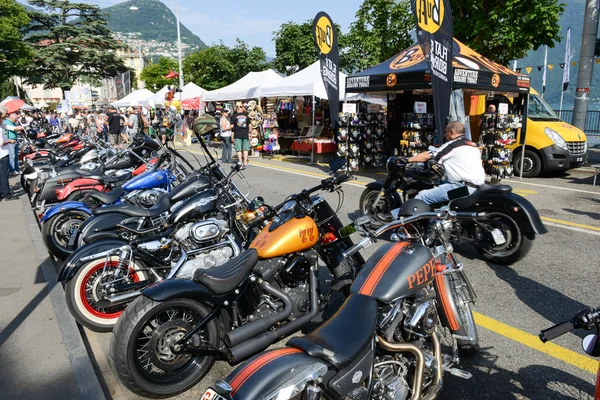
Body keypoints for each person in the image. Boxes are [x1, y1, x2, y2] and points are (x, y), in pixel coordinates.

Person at [407, 121, 485, 205]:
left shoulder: (453, 145)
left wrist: (408, 160)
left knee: (422, 196)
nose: (444, 135)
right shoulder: (472, 145)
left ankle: (400, 217)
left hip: (460, 187)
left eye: (445, 132)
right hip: (475, 187)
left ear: (451, 132)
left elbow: (430, 155)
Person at [0, 106, 17, 200]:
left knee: (2, 175)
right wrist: (9, 141)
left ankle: (3, 192)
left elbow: (5, 126)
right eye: (2, 117)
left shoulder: (1, 126)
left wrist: (15, 128)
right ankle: (6, 194)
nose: (4, 119)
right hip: (2, 154)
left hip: (2, 154)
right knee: (4, 175)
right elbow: (1, 143)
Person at [231, 103, 250, 168]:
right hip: (245, 134)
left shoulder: (234, 116)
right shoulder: (247, 116)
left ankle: (240, 161)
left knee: (238, 149)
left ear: (236, 109)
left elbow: (232, 126)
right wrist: (250, 133)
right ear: (242, 109)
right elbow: (250, 126)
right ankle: (245, 162)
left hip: (237, 134)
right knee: (245, 149)